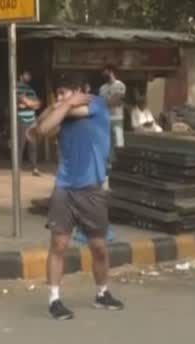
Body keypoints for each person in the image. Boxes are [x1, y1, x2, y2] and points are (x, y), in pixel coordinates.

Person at [31, 74, 125, 320]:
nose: (61, 98)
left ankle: (102, 293)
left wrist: (56, 108)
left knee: (99, 247)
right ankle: (54, 299)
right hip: (65, 187)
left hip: (92, 188)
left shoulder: (96, 105)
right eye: (58, 93)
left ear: (82, 91)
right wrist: (63, 104)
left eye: (66, 92)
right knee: (58, 245)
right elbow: (43, 128)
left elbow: (43, 125)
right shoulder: (63, 112)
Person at [15, 70, 41, 176]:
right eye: (26, 74)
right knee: (20, 144)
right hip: (21, 119)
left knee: (33, 145)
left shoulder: (30, 89)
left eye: (29, 74)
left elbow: (38, 104)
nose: (28, 76)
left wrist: (28, 104)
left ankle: (34, 168)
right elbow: (22, 100)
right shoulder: (16, 87)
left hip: (32, 119)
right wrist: (30, 103)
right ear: (20, 76)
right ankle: (18, 168)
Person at [99, 65, 127, 152]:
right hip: (105, 118)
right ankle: (109, 162)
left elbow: (116, 101)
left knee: (118, 142)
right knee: (106, 142)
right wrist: (110, 101)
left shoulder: (120, 85)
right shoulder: (102, 88)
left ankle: (119, 163)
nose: (103, 74)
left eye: (105, 71)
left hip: (117, 118)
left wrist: (108, 102)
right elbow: (101, 103)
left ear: (111, 72)